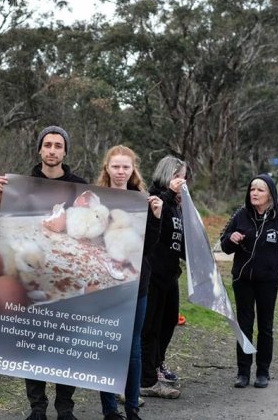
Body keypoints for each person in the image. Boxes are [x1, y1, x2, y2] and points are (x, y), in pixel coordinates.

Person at [0, 125, 85, 420]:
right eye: (48, 145)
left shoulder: (79, 186)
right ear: (39, 149)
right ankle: (37, 408)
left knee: (66, 344)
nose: (53, 150)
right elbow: (7, 230)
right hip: (31, 273)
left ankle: (65, 408)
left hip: (68, 275)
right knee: (34, 341)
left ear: (65, 151)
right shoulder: (23, 185)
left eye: (58, 145)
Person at [96, 145, 162, 420]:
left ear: (133, 169)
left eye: (126, 166)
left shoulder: (142, 200)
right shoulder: (97, 199)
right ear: (107, 169)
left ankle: (132, 407)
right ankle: (110, 409)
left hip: (137, 284)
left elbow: (149, 248)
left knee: (133, 348)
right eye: (116, 166)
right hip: (104, 282)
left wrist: (157, 218)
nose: (121, 171)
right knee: (107, 345)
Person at [219, 174, 278, 389]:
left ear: (270, 195)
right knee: (244, 326)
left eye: (260, 190)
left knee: (265, 328)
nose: (254, 193)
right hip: (242, 281)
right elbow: (224, 246)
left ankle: (263, 372)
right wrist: (231, 238)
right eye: (252, 188)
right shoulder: (241, 216)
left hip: (268, 283)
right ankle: (243, 372)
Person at [139, 156, 187, 400]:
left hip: (171, 274)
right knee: (151, 327)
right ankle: (146, 378)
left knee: (169, 322)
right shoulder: (156, 198)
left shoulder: (178, 203)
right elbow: (152, 223)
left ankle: (157, 364)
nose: (184, 181)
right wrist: (170, 192)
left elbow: (181, 239)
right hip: (154, 274)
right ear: (169, 175)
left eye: (185, 177)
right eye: (180, 176)